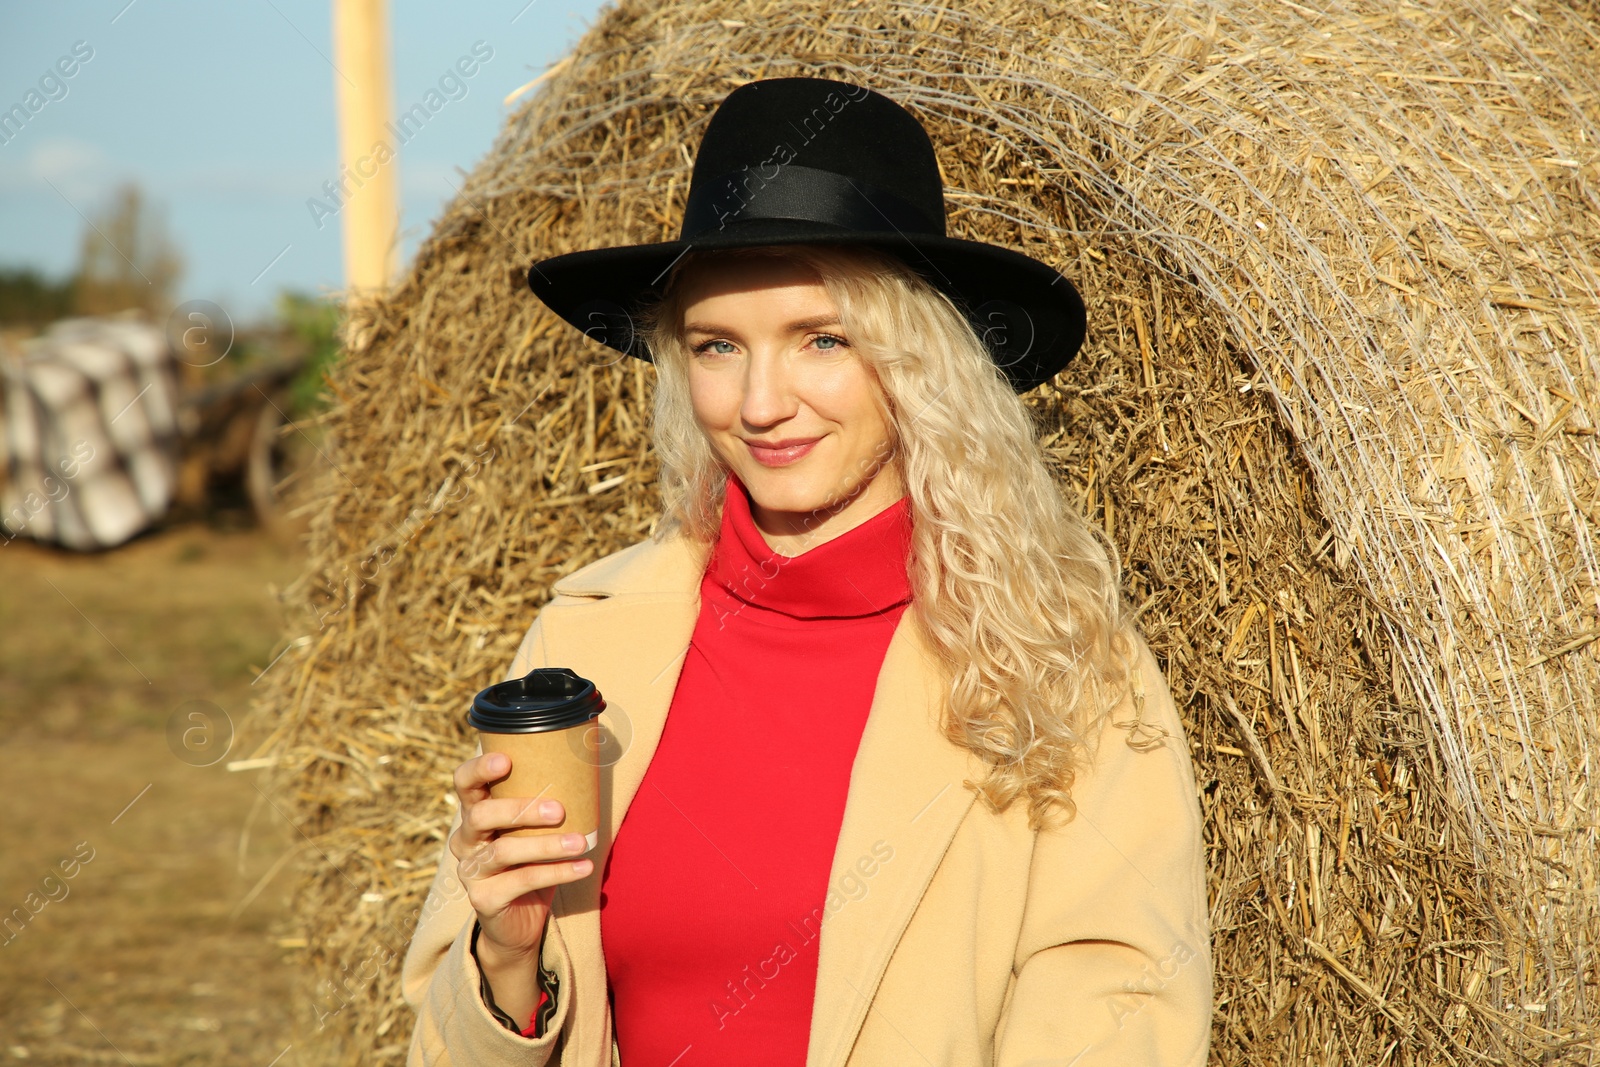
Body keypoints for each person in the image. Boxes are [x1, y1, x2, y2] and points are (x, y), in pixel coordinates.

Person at [401, 76, 1210, 1066]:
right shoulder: (583, 643)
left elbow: (1115, 1002)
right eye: (716, 346)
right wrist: (505, 956)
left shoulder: (1058, 658)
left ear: (915, 361)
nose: (760, 401)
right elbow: (446, 1042)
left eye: (821, 339)